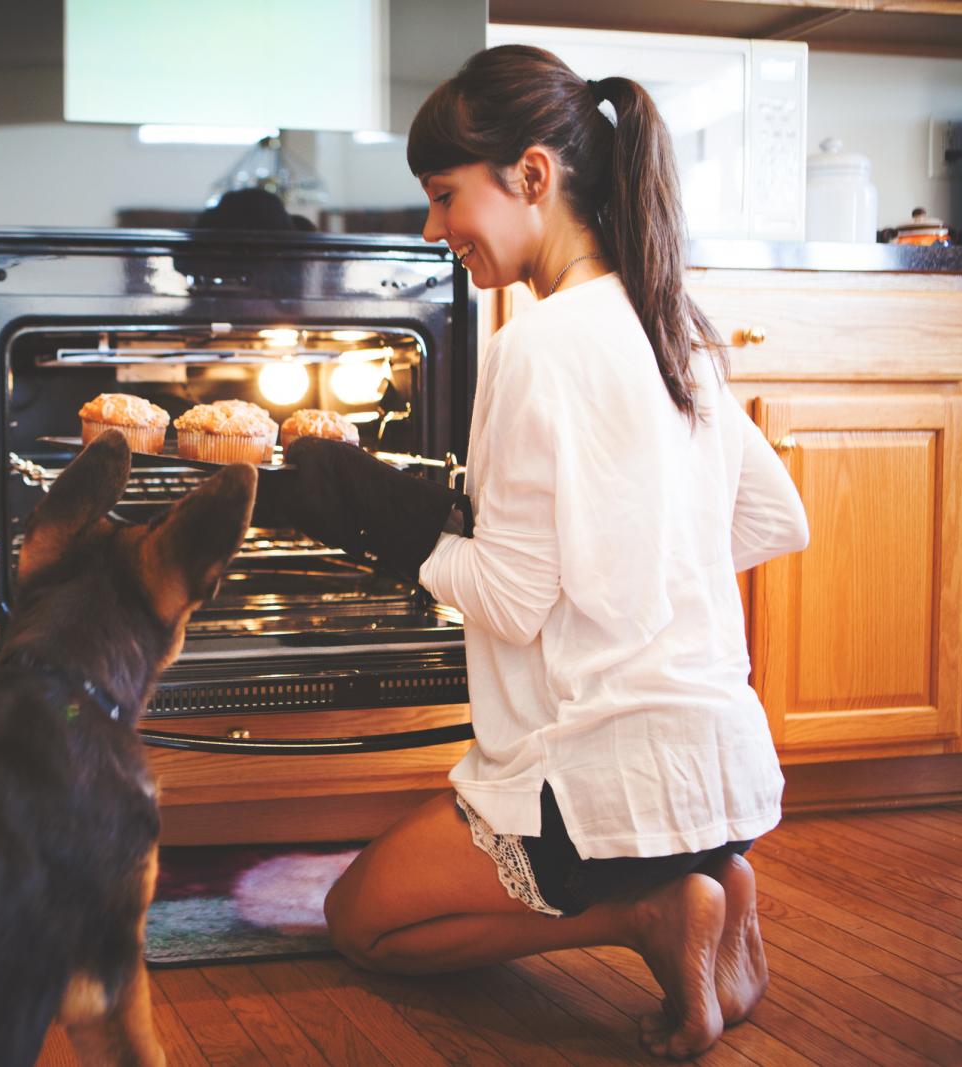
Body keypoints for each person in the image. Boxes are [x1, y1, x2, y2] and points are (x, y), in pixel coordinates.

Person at [281, 45, 809, 1059]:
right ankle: (715, 884)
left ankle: (651, 913)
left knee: (363, 920)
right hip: (718, 769)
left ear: (533, 174)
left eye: (444, 196)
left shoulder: (538, 341)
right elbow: (775, 518)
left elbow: (511, 599)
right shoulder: (675, 326)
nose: (435, 230)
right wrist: (631, 552)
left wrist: (372, 518)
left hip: (597, 777)